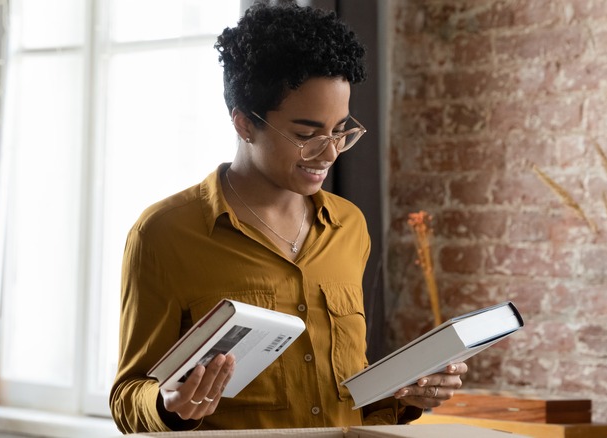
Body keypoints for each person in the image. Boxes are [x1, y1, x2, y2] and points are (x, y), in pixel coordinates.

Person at [109, 3, 467, 433]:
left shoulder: (349, 228)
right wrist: (168, 404)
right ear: (244, 123)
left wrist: (403, 392)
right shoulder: (165, 234)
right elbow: (128, 397)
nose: (330, 152)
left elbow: (344, 395)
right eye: (305, 135)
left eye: (340, 130)